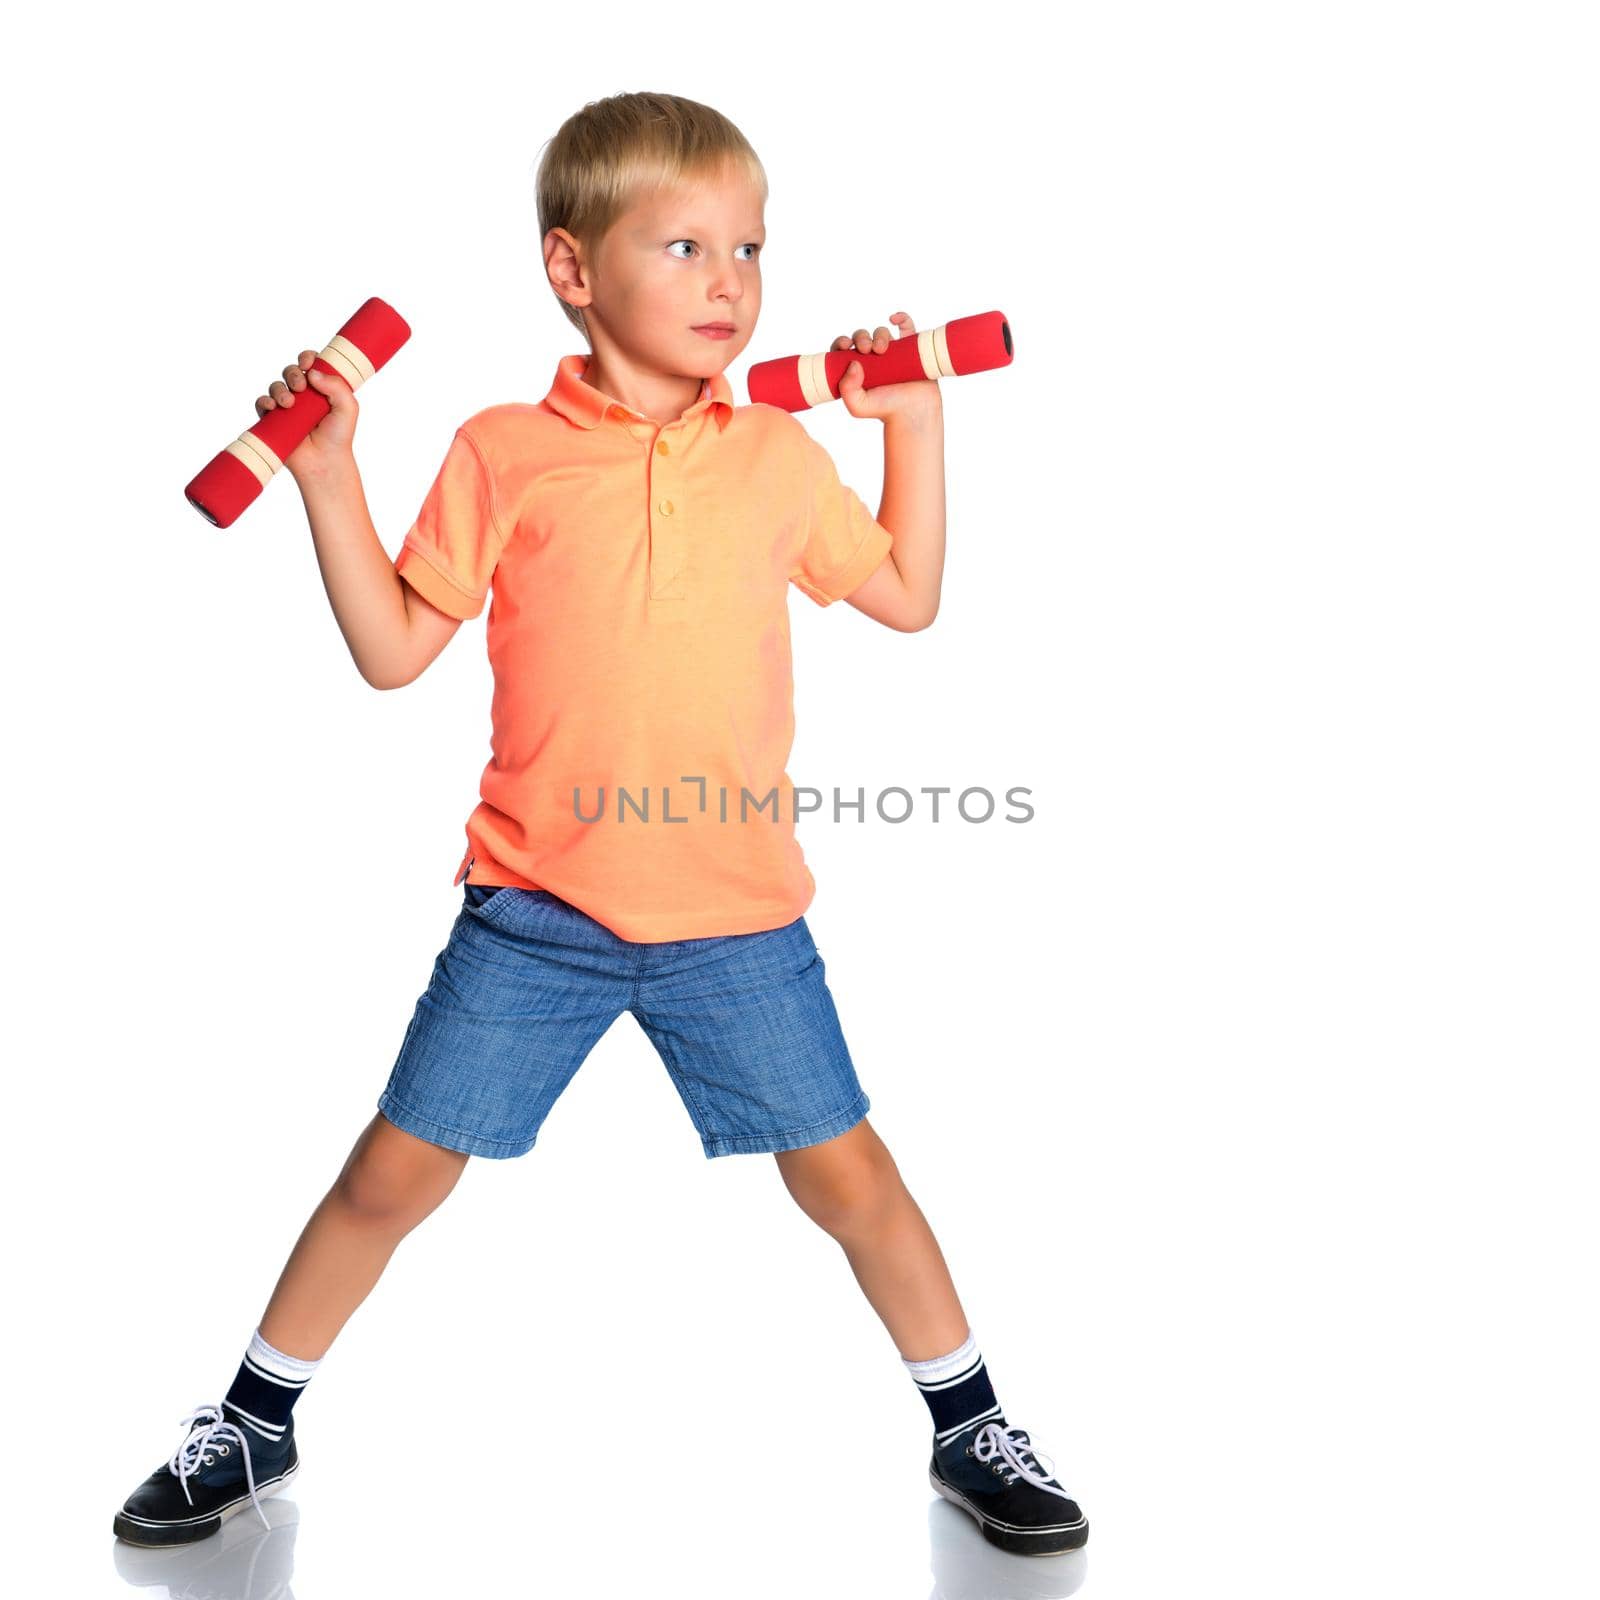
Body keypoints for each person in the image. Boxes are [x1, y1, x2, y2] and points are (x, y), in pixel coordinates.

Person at [114, 90, 1087, 1558]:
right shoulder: (504, 451)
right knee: (392, 1171)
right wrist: (327, 473)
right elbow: (392, 651)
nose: (730, 282)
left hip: (736, 913)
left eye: (750, 248)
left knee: (851, 1178)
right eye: (685, 246)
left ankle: (972, 1427)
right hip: (537, 912)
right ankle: (251, 1423)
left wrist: (917, 425)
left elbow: (904, 596)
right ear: (572, 270)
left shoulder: (772, 455)